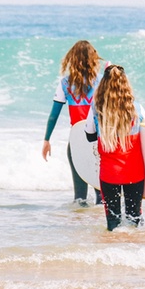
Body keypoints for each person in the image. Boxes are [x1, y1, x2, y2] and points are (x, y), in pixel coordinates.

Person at [42, 40, 109, 206]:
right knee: (101, 195)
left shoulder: (65, 83)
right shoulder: (102, 81)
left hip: (76, 141)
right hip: (98, 140)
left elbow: (53, 115)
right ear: (93, 59)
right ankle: (99, 229)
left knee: (80, 197)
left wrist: (46, 140)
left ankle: (79, 226)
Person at [84, 65, 145, 231]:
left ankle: (113, 252)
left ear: (103, 84)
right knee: (134, 218)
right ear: (126, 84)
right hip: (135, 172)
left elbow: (89, 135)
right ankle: (134, 253)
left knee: (112, 223)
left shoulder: (96, 110)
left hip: (109, 174)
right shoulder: (137, 108)